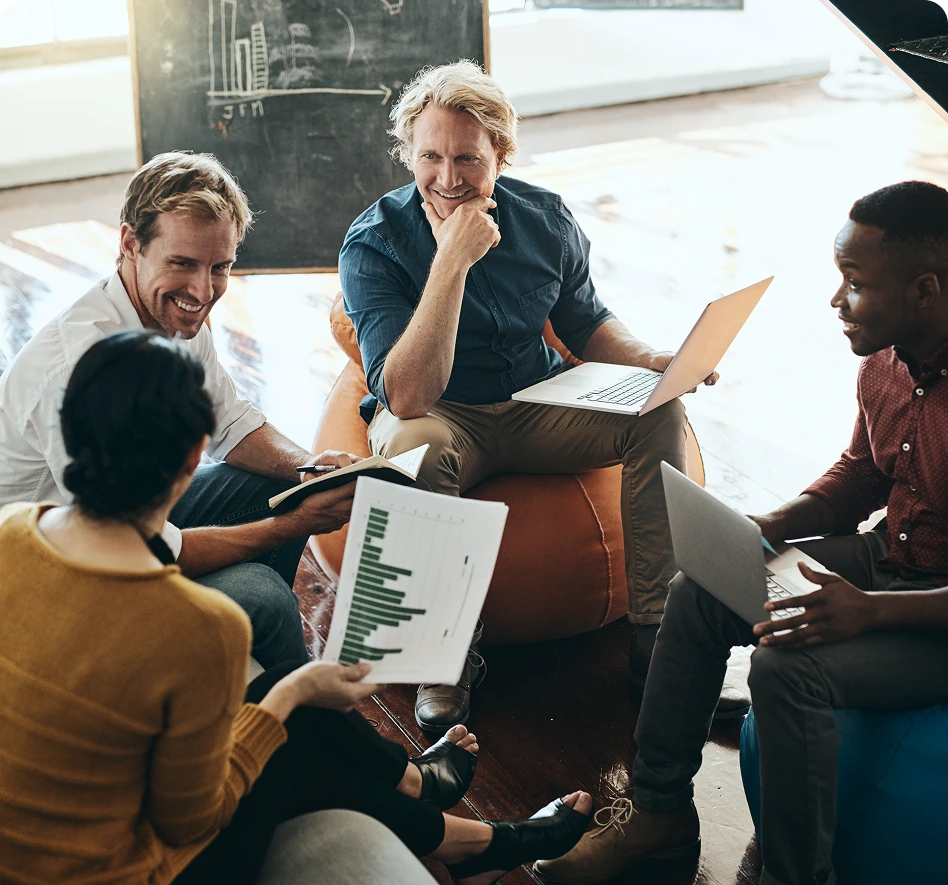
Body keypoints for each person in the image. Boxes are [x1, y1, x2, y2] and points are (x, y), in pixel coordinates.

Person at [0, 330, 593, 885]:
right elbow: (190, 823)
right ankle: (468, 838)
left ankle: (440, 812)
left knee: (279, 698)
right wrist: (290, 697)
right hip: (129, 871)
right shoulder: (200, 627)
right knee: (283, 725)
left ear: (69, 433)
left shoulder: (12, 530)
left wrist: (289, 694)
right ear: (193, 457)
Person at [534, 180, 948, 885]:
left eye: (853, 283)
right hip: (892, 558)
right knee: (699, 590)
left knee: (787, 669)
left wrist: (868, 611)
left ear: (924, 290)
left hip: (931, 614)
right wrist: (767, 525)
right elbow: (860, 474)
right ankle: (659, 812)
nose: (834, 301)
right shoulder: (885, 359)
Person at [340, 61, 725, 732]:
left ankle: (657, 642)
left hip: (538, 396)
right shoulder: (373, 243)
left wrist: (657, 363)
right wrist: (451, 261)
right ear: (407, 153)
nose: (448, 178)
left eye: (468, 157)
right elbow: (405, 393)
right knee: (410, 453)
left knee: (660, 410)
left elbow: (586, 322)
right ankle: (446, 660)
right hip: (439, 413)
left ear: (502, 156)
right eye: (429, 156)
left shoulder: (543, 217)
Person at [0, 151, 359, 668]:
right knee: (263, 595)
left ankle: (232, 666)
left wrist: (312, 469)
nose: (202, 291)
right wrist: (286, 527)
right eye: (182, 263)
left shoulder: (171, 314)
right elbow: (128, 543)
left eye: (221, 268)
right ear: (129, 244)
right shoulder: (77, 367)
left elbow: (230, 420)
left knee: (280, 488)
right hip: (58, 583)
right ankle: (279, 708)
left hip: (114, 529)